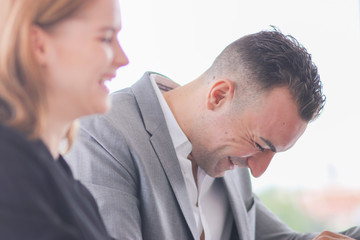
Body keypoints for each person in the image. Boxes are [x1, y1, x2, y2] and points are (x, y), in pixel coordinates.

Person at [65, 29, 360, 240]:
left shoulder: (230, 156)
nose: (258, 170)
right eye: (260, 145)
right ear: (218, 96)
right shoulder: (103, 133)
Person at [0, 0, 128, 239]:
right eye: (105, 38)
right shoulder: (8, 165)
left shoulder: (58, 174)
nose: (123, 59)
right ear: (38, 45)